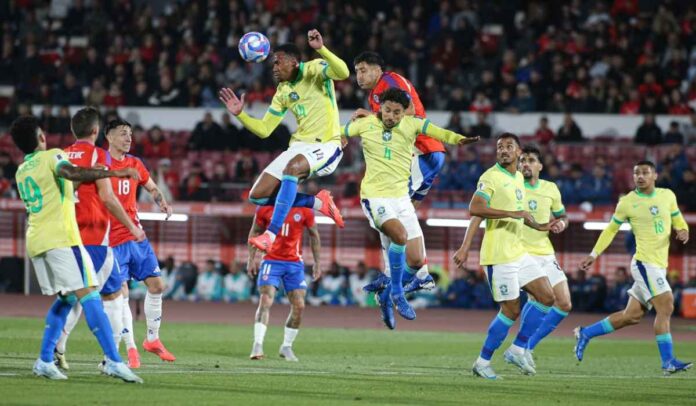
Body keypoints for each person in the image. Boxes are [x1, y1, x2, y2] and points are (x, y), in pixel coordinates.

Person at [9, 116, 141, 383]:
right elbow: (71, 173)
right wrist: (114, 172)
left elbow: (67, 184)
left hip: (36, 241)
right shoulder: (53, 156)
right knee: (91, 296)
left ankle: (45, 360)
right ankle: (114, 361)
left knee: (67, 298)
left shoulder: (22, 169)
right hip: (62, 239)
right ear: (41, 138)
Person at [343, 88, 478, 327]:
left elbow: (438, 132)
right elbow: (340, 133)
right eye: (387, 111)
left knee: (416, 260)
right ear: (380, 109)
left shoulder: (412, 124)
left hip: (401, 199)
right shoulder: (365, 125)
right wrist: (338, 138)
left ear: (404, 112)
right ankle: (396, 293)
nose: (391, 116)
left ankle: (384, 297)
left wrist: (459, 139)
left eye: (397, 112)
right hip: (375, 197)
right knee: (399, 236)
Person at [219, 29, 348, 253]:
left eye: (278, 62)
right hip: (298, 146)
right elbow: (265, 130)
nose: (274, 68)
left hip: (326, 144)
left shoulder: (315, 69)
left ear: (294, 62)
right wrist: (241, 115)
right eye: (273, 65)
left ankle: (270, 234)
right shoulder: (282, 92)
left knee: (292, 168)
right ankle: (318, 203)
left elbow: (344, 72)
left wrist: (321, 50)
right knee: (257, 196)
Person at [452, 134, 558, 379]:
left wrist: (541, 226)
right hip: (498, 256)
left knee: (546, 296)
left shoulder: (519, 177)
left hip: (518, 252)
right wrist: (466, 246)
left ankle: (518, 348)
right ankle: (482, 362)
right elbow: (475, 208)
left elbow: (520, 215)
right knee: (511, 311)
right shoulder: (491, 177)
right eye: (500, 147)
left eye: (509, 146)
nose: (503, 150)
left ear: (518, 151)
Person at [575, 160, 691, 375]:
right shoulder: (627, 202)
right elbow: (610, 230)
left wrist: (683, 230)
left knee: (632, 316)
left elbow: (679, 221)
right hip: (644, 264)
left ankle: (586, 333)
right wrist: (594, 254)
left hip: (658, 265)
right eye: (636, 173)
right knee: (666, 306)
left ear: (655, 175)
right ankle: (668, 362)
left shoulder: (667, 196)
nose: (640, 176)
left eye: (645, 173)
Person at [54, 107, 146, 370]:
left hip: (66, 235)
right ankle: (111, 360)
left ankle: (56, 348)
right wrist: (132, 227)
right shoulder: (98, 154)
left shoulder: (61, 155)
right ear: (96, 131)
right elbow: (106, 196)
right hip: (94, 237)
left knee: (72, 294)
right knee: (114, 297)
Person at [351, 51, 443, 303]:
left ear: (377, 69)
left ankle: (394, 274)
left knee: (386, 204)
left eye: (362, 69)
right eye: (356, 71)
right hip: (425, 154)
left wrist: (369, 117)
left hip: (422, 151)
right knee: (400, 212)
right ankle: (418, 274)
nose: (358, 75)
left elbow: (409, 112)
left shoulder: (389, 83)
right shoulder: (378, 91)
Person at [105, 119, 176, 368]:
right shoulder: (101, 165)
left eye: (131, 134)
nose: (129, 138)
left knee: (157, 286)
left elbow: (152, 186)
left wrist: (162, 201)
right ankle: (130, 348)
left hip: (136, 237)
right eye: (123, 134)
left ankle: (152, 340)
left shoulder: (135, 163)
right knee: (120, 295)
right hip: (112, 240)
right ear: (109, 137)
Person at [247, 206, 321, 362]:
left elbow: (314, 234)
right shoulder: (265, 207)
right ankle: (258, 344)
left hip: (294, 263)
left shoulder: (305, 209)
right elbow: (255, 231)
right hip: (271, 261)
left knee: (299, 306)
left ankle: (286, 346)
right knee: (266, 299)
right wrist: (251, 259)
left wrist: (317, 262)